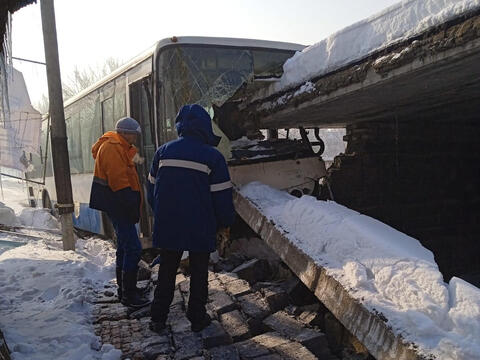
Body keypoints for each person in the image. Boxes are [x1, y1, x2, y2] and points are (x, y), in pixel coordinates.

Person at [148, 104, 235, 332]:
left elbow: (151, 191)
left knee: (167, 269)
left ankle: (157, 318)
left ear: (180, 126)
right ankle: (197, 317)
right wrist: (224, 223)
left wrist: (162, 214)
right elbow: (222, 197)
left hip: (168, 223)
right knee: (199, 271)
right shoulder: (212, 157)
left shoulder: (162, 152)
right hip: (200, 223)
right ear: (205, 127)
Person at [89, 117, 150, 308]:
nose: (135, 138)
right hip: (119, 205)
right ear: (124, 133)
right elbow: (119, 182)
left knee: (124, 247)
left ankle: (125, 290)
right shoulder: (113, 148)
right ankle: (128, 295)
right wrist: (130, 206)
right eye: (133, 134)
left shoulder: (121, 147)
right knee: (133, 248)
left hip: (119, 205)